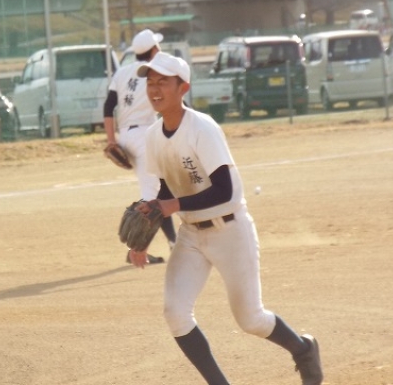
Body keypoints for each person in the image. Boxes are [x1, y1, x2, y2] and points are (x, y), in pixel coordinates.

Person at [131, 52, 323, 385]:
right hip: (191, 235)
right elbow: (166, 189)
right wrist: (143, 236)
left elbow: (225, 190)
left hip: (230, 231)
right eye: (150, 82)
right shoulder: (153, 136)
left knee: (250, 319)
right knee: (175, 313)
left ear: (183, 88)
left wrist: (173, 205)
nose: (155, 89)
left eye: (163, 82)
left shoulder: (202, 128)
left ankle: (303, 349)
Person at [104, 29, 176, 263]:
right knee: (152, 195)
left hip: (126, 135)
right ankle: (137, 250)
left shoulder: (122, 72)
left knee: (159, 190)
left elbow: (108, 107)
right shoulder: (156, 71)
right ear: (154, 50)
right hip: (145, 135)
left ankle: (173, 242)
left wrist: (111, 140)